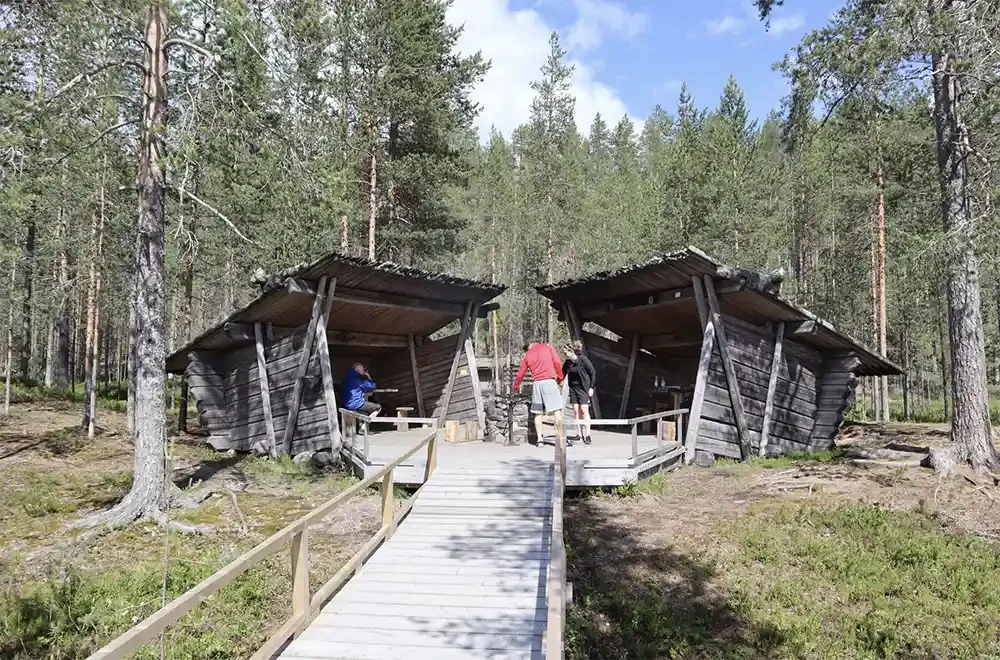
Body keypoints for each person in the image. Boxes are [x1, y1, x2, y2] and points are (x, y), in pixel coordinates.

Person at [513, 340, 564, 446]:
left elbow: (520, 373)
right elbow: (557, 362)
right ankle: (560, 437)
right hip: (549, 381)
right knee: (557, 410)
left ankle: (540, 439)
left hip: (537, 383)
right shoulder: (547, 347)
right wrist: (560, 377)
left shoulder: (527, 355)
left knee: (538, 413)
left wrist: (515, 387)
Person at [562, 340, 596, 445]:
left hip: (583, 388)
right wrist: (560, 381)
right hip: (573, 388)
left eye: (566, 353)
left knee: (584, 410)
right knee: (576, 411)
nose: (565, 355)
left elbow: (592, 372)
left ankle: (588, 434)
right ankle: (579, 434)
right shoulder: (568, 363)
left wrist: (591, 388)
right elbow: (563, 373)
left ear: (571, 351)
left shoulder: (583, 360)